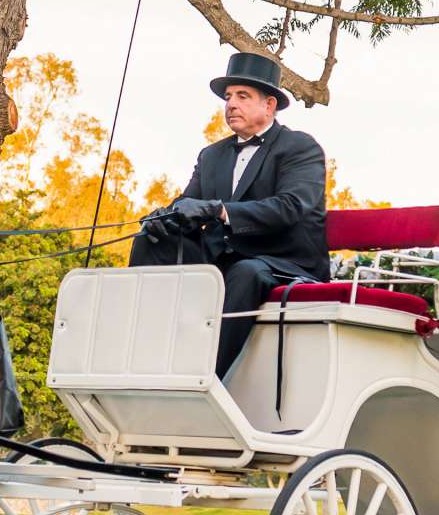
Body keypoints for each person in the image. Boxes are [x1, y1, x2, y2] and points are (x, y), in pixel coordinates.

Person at [131, 52, 329, 376]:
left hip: (281, 261)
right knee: (151, 242)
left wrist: (219, 210)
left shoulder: (299, 148)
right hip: (221, 257)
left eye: (242, 96)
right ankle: (146, 356)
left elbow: (290, 207)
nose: (231, 104)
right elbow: (188, 203)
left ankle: (206, 377)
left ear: (269, 105)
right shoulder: (211, 155)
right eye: (228, 97)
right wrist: (164, 218)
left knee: (246, 272)